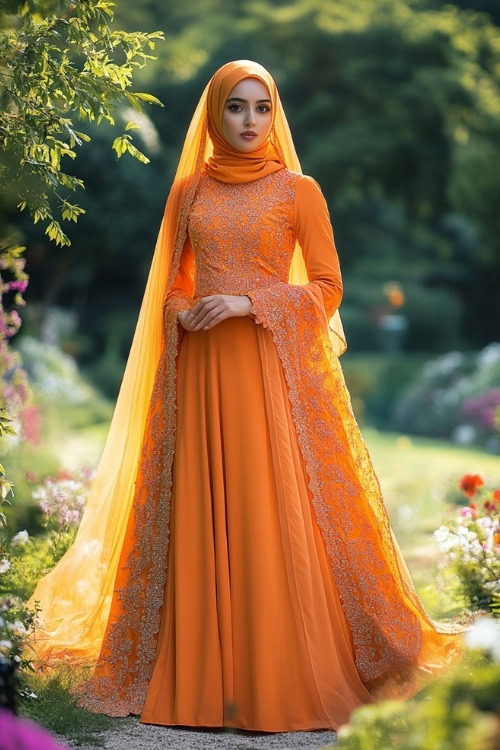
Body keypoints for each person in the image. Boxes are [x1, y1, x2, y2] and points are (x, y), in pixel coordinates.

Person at [24, 60, 468, 733]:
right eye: (236, 107)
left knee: (271, 508)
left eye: (262, 108)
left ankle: (278, 671)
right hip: (202, 372)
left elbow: (326, 289)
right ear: (213, 114)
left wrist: (245, 301)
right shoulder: (189, 194)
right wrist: (184, 311)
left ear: (275, 114)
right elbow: (170, 287)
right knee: (203, 507)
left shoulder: (299, 192)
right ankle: (202, 676)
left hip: (270, 371)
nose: (250, 121)